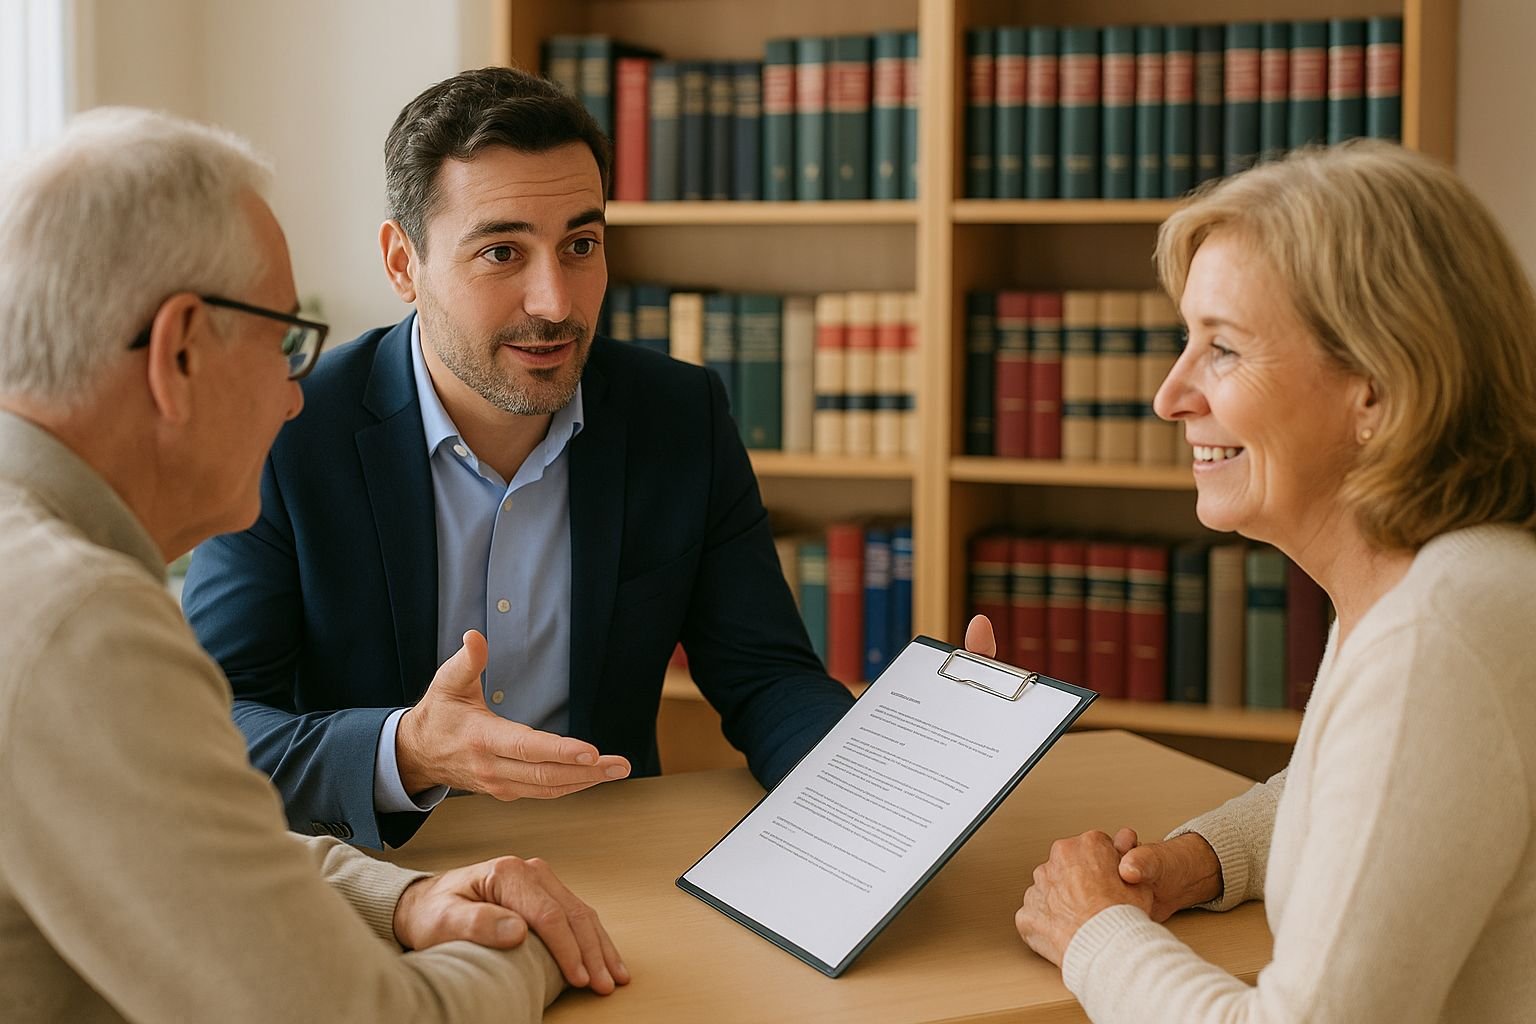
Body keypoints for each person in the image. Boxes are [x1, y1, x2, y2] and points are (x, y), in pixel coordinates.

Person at [0, 108, 629, 1022]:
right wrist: (526, 945)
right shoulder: (80, 622)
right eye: (284, 342)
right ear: (179, 350)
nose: (297, 397)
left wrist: (404, 899)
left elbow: (183, 844)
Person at [181, 65, 857, 851]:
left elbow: (768, 679)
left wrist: (886, 779)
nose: (556, 303)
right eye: (502, 252)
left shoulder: (680, 417)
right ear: (404, 264)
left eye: (581, 244)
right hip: (378, 878)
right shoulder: (289, 429)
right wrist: (408, 749)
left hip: (616, 869)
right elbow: (212, 724)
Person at [1000, 141, 1536, 1021]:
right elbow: (1374, 789)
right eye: (1186, 341)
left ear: (1377, 389)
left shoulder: (1434, 638)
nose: (1170, 396)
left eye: (1222, 350)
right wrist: (1203, 858)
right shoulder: (1453, 580)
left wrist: (1094, 930)